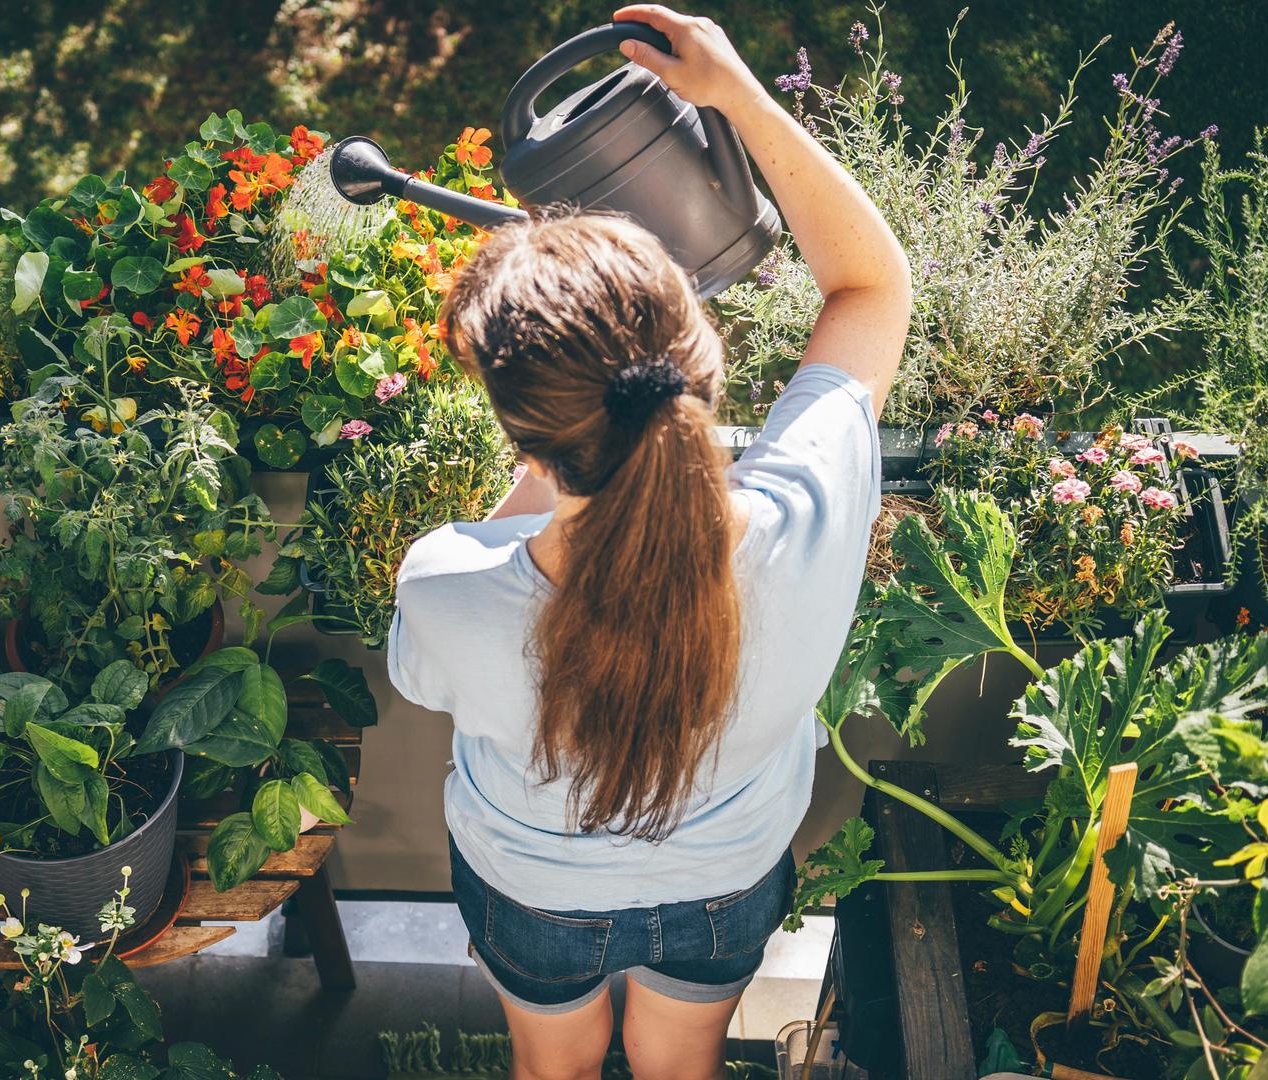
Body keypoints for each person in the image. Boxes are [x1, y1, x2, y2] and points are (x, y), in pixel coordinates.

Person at [386, 6, 912, 1079]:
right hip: (726, 882)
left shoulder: (446, 585)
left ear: (520, 427)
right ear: (697, 353)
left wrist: (543, 466)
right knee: (683, 1069)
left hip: (531, 889)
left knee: (553, 1070)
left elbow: (444, 658)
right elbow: (870, 286)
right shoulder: (806, 519)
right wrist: (739, 96)